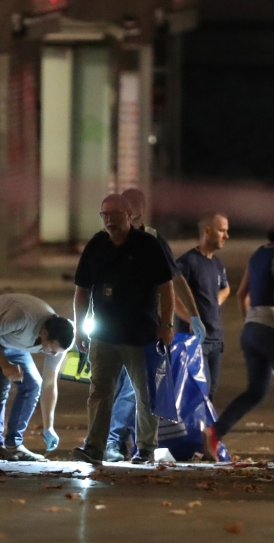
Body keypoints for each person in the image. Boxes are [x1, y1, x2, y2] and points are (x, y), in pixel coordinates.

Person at [71, 194, 177, 464]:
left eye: (115, 214)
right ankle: (94, 446)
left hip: (140, 334)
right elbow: (82, 290)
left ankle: (145, 448)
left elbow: (167, 287)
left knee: (145, 394)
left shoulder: (148, 245)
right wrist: (80, 329)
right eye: (104, 214)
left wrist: (166, 324)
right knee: (99, 391)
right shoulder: (97, 246)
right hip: (104, 335)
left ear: (129, 216)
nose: (109, 220)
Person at [103, 188, 204, 462]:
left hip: (143, 326)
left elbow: (173, 281)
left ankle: (124, 443)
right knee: (116, 388)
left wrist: (190, 316)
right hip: (113, 326)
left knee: (134, 389)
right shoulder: (108, 240)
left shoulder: (152, 240)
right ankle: (117, 442)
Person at [203, 219, 274, 462]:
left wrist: (250, 322)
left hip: (252, 330)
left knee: (256, 390)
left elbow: (241, 294)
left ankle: (214, 432)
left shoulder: (257, 254)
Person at [0, 293, 75, 462]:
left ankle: (14, 444)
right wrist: (5, 365)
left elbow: (49, 383)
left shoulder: (60, 341)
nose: (53, 354)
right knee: (0, 380)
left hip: (11, 339)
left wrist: (48, 426)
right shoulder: (21, 317)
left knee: (33, 384)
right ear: (44, 333)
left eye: (58, 352)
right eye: (51, 349)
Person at [173, 213, 231, 400]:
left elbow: (226, 289)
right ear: (207, 231)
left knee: (209, 395)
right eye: (222, 230)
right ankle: (190, 429)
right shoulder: (187, 262)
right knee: (198, 394)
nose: (226, 236)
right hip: (193, 341)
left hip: (215, 338)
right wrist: (190, 318)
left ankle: (199, 429)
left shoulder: (216, 263)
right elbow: (172, 296)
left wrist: (215, 302)